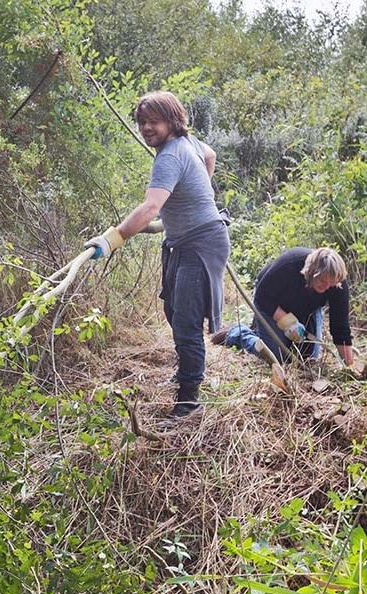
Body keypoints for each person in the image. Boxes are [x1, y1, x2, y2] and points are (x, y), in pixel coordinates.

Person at [85, 90, 230, 422]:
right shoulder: (188, 144)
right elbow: (211, 155)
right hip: (181, 241)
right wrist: (186, 204)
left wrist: (113, 239)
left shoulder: (169, 155)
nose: (147, 128)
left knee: (186, 322)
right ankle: (186, 374)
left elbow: (150, 206)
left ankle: (189, 401)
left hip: (202, 243)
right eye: (142, 122)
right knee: (173, 310)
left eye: (154, 121)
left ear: (172, 120)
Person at [212, 247, 354, 367]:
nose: (327, 287)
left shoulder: (338, 283)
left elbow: (340, 328)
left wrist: (349, 366)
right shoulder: (289, 265)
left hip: (306, 307)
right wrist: (288, 323)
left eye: (331, 284)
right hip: (272, 300)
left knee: (308, 359)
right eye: (323, 281)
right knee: (276, 356)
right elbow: (262, 298)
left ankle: (263, 331)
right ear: (312, 272)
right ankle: (238, 333)